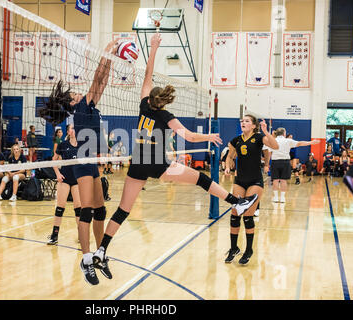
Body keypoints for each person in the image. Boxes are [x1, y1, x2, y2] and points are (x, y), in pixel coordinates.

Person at [90, 34, 259, 279]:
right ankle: (235, 202)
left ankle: (102, 250)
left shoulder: (144, 104)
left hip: (138, 164)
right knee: (201, 180)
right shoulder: (165, 115)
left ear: (152, 98)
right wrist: (209, 137)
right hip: (159, 165)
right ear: (164, 100)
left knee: (122, 211)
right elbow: (189, 136)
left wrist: (153, 48)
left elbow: (147, 76)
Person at [38, 40, 125, 285]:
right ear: (73, 103)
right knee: (85, 211)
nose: (79, 92)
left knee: (100, 210)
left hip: (91, 163)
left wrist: (111, 59)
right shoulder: (82, 108)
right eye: (75, 94)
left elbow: (102, 81)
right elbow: (99, 78)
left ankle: (100, 253)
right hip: (82, 162)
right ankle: (86, 258)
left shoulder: (86, 107)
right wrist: (106, 52)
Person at [223, 115, 279, 265]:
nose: (243, 123)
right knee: (235, 214)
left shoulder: (260, 137)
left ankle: (249, 250)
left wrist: (266, 131)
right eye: (242, 121)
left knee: (247, 215)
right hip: (239, 180)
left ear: (254, 126)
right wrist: (228, 166)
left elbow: (275, 146)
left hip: (255, 181)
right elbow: (230, 156)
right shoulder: (236, 140)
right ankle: (234, 248)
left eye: (247, 121)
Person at [47, 124, 81, 245]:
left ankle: (81, 235)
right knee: (60, 207)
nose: (73, 130)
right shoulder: (63, 145)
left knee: (78, 209)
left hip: (77, 180)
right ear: (68, 131)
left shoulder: (82, 145)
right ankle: (54, 235)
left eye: (74, 128)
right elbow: (54, 160)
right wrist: (57, 173)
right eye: (71, 128)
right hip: (65, 179)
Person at [270, 128, 320, 203]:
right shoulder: (288, 140)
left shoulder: (272, 140)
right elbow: (300, 143)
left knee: (275, 180)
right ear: (284, 133)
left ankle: (276, 197)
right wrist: (311, 142)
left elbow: (269, 152)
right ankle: (283, 198)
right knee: (283, 180)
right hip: (285, 162)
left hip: (275, 162)